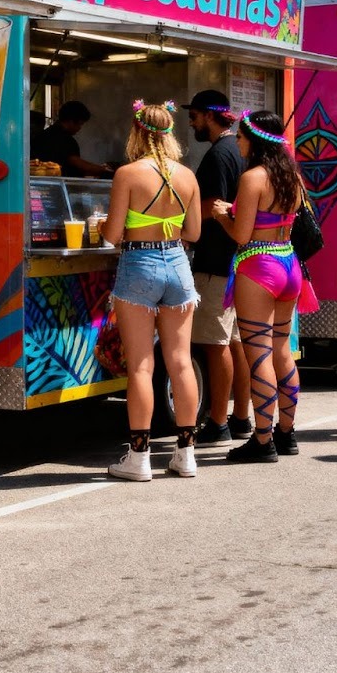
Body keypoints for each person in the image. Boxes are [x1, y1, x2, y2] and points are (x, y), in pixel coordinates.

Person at [102, 101, 203, 481]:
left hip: (139, 264)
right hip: (178, 263)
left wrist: (108, 226)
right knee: (181, 362)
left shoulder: (128, 174)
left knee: (141, 366)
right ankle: (186, 454)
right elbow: (193, 233)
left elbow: (112, 234)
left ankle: (139, 458)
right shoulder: (187, 176)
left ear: (137, 131)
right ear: (170, 132)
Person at [210, 110, 319, 463]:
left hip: (258, 266)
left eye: (241, 137)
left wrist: (221, 216)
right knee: (282, 350)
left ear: (255, 140)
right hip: (289, 263)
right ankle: (286, 434)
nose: (238, 142)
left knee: (257, 354)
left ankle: (262, 440)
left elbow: (242, 235)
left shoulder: (252, 177)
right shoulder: (292, 176)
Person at [185, 90, 252, 446]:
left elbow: (213, 201)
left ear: (209, 116)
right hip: (238, 261)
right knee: (236, 343)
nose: (191, 123)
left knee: (215, 344)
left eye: (194, 116)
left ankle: (218, 422)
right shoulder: (238, 150)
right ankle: (241, 417)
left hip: (216, 262)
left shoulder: (218, 154)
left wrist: (182, 220)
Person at [30, 101, 111, 177]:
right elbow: (80, 165)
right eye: (80, 124)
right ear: (71, 121)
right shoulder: (65, 140)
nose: (80, 128)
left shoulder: (43, 135)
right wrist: (103, 169)